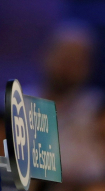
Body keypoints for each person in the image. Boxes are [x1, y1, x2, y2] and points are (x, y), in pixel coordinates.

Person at [39, 21, 104, 189]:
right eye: (64, 56)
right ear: (45, 55)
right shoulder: (12, 105)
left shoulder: (97, 108)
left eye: (77, 60)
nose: (68, 66)